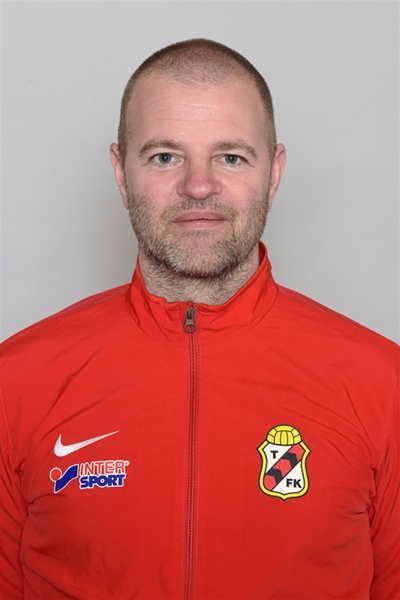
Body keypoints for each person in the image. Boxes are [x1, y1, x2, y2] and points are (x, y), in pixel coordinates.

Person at [0, 38, 398, 600]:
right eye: (165, 156)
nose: (199, 185)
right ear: (121, 173)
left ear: (274, 173)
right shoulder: (16, 381)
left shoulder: (382, 383)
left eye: (231, 157)